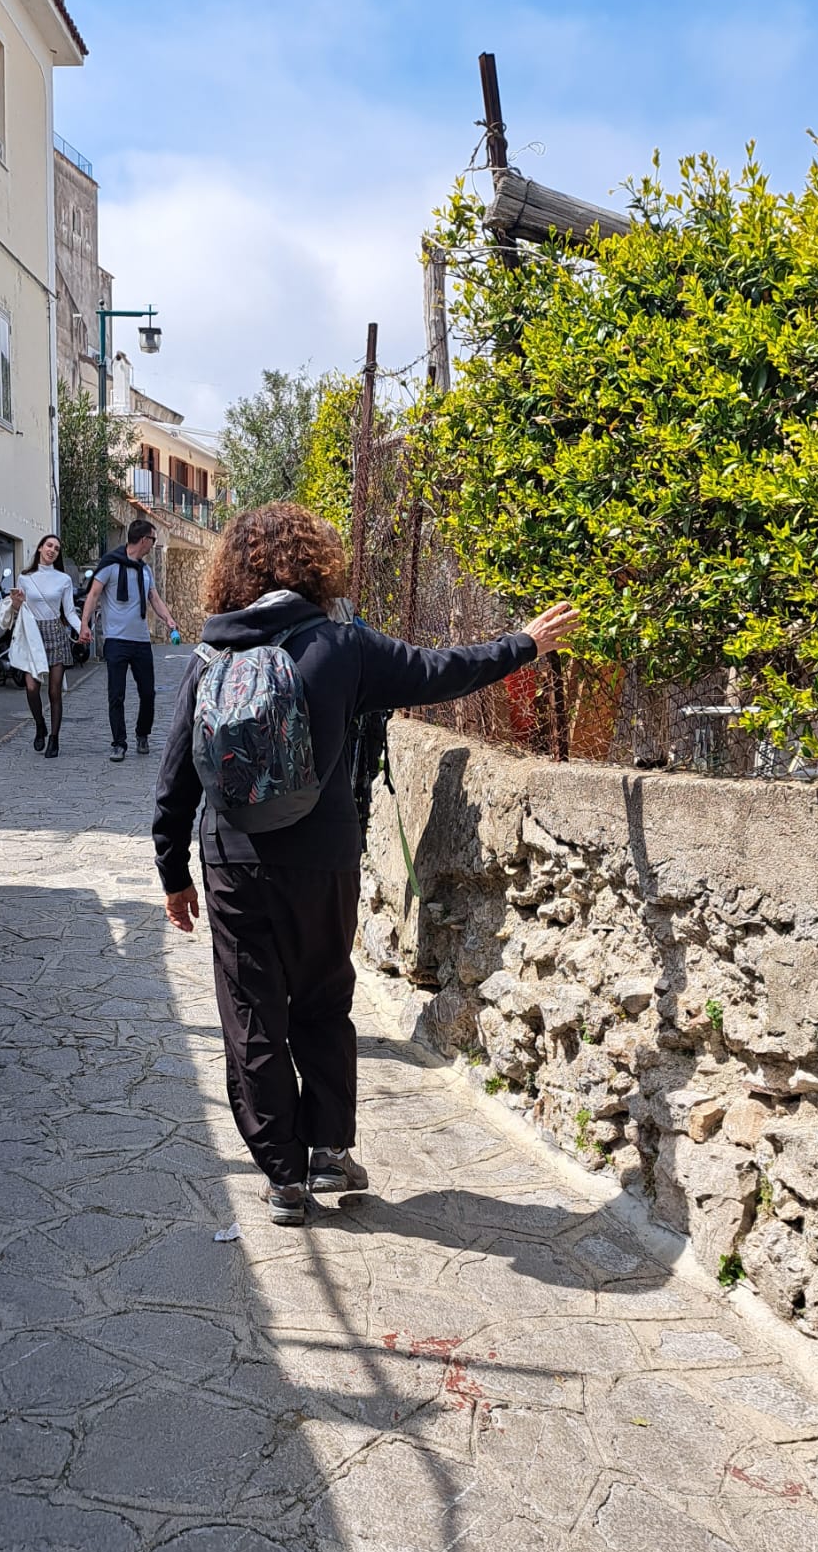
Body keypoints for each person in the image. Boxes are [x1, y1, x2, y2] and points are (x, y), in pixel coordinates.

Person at [152, 501, 579, 1226]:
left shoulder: (209, 655)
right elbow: (439, 672)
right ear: (315, 564)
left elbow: (175, 779)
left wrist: (173, 873)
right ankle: (327, 1150)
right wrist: (523, 645)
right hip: (323, 859)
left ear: (233, 571)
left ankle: (282, 1180)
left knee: (251, 1016)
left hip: (233, 861)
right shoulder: (343, 646)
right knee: (321, 1001)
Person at [77, 518, 182, 761]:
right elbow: (93, 594)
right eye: (153, 539)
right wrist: (84, 624)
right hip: (116, 640)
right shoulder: (110, 564)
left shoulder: (145, 570)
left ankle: (142, 734)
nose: (153, 544)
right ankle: (119, 743)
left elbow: (154, 598)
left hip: (141, 641)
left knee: (148, 693)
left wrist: (169, 620)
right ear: (144, 540)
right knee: (117, 694)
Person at [0, 535, 80, 759]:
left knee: (54, 691)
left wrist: (82, 630)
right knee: (32, 687)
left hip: (55, 633)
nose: (52, 550)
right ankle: (40, 724)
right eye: (49, 545)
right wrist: (15, 603)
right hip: (32, 634)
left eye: (57, 548)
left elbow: (69, 611)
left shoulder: (63, 579)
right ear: (41, 548)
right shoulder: (25, 577)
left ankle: (54, 738)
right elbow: (19, 609)